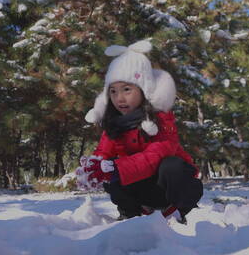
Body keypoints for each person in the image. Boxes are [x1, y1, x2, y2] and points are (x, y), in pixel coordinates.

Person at [79, 40, 203, 224]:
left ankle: (176, 212)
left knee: (172, 165)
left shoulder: (162, 117)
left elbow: (157, 154)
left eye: (127, 89)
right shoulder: (115, 123)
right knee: (108, 167)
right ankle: (131, 212)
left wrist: (117, 168)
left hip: (167, 189)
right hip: (140, 188)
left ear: (143, 89)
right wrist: (95, 167)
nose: (119, 98)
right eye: (113, 91)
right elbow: (104, 151)